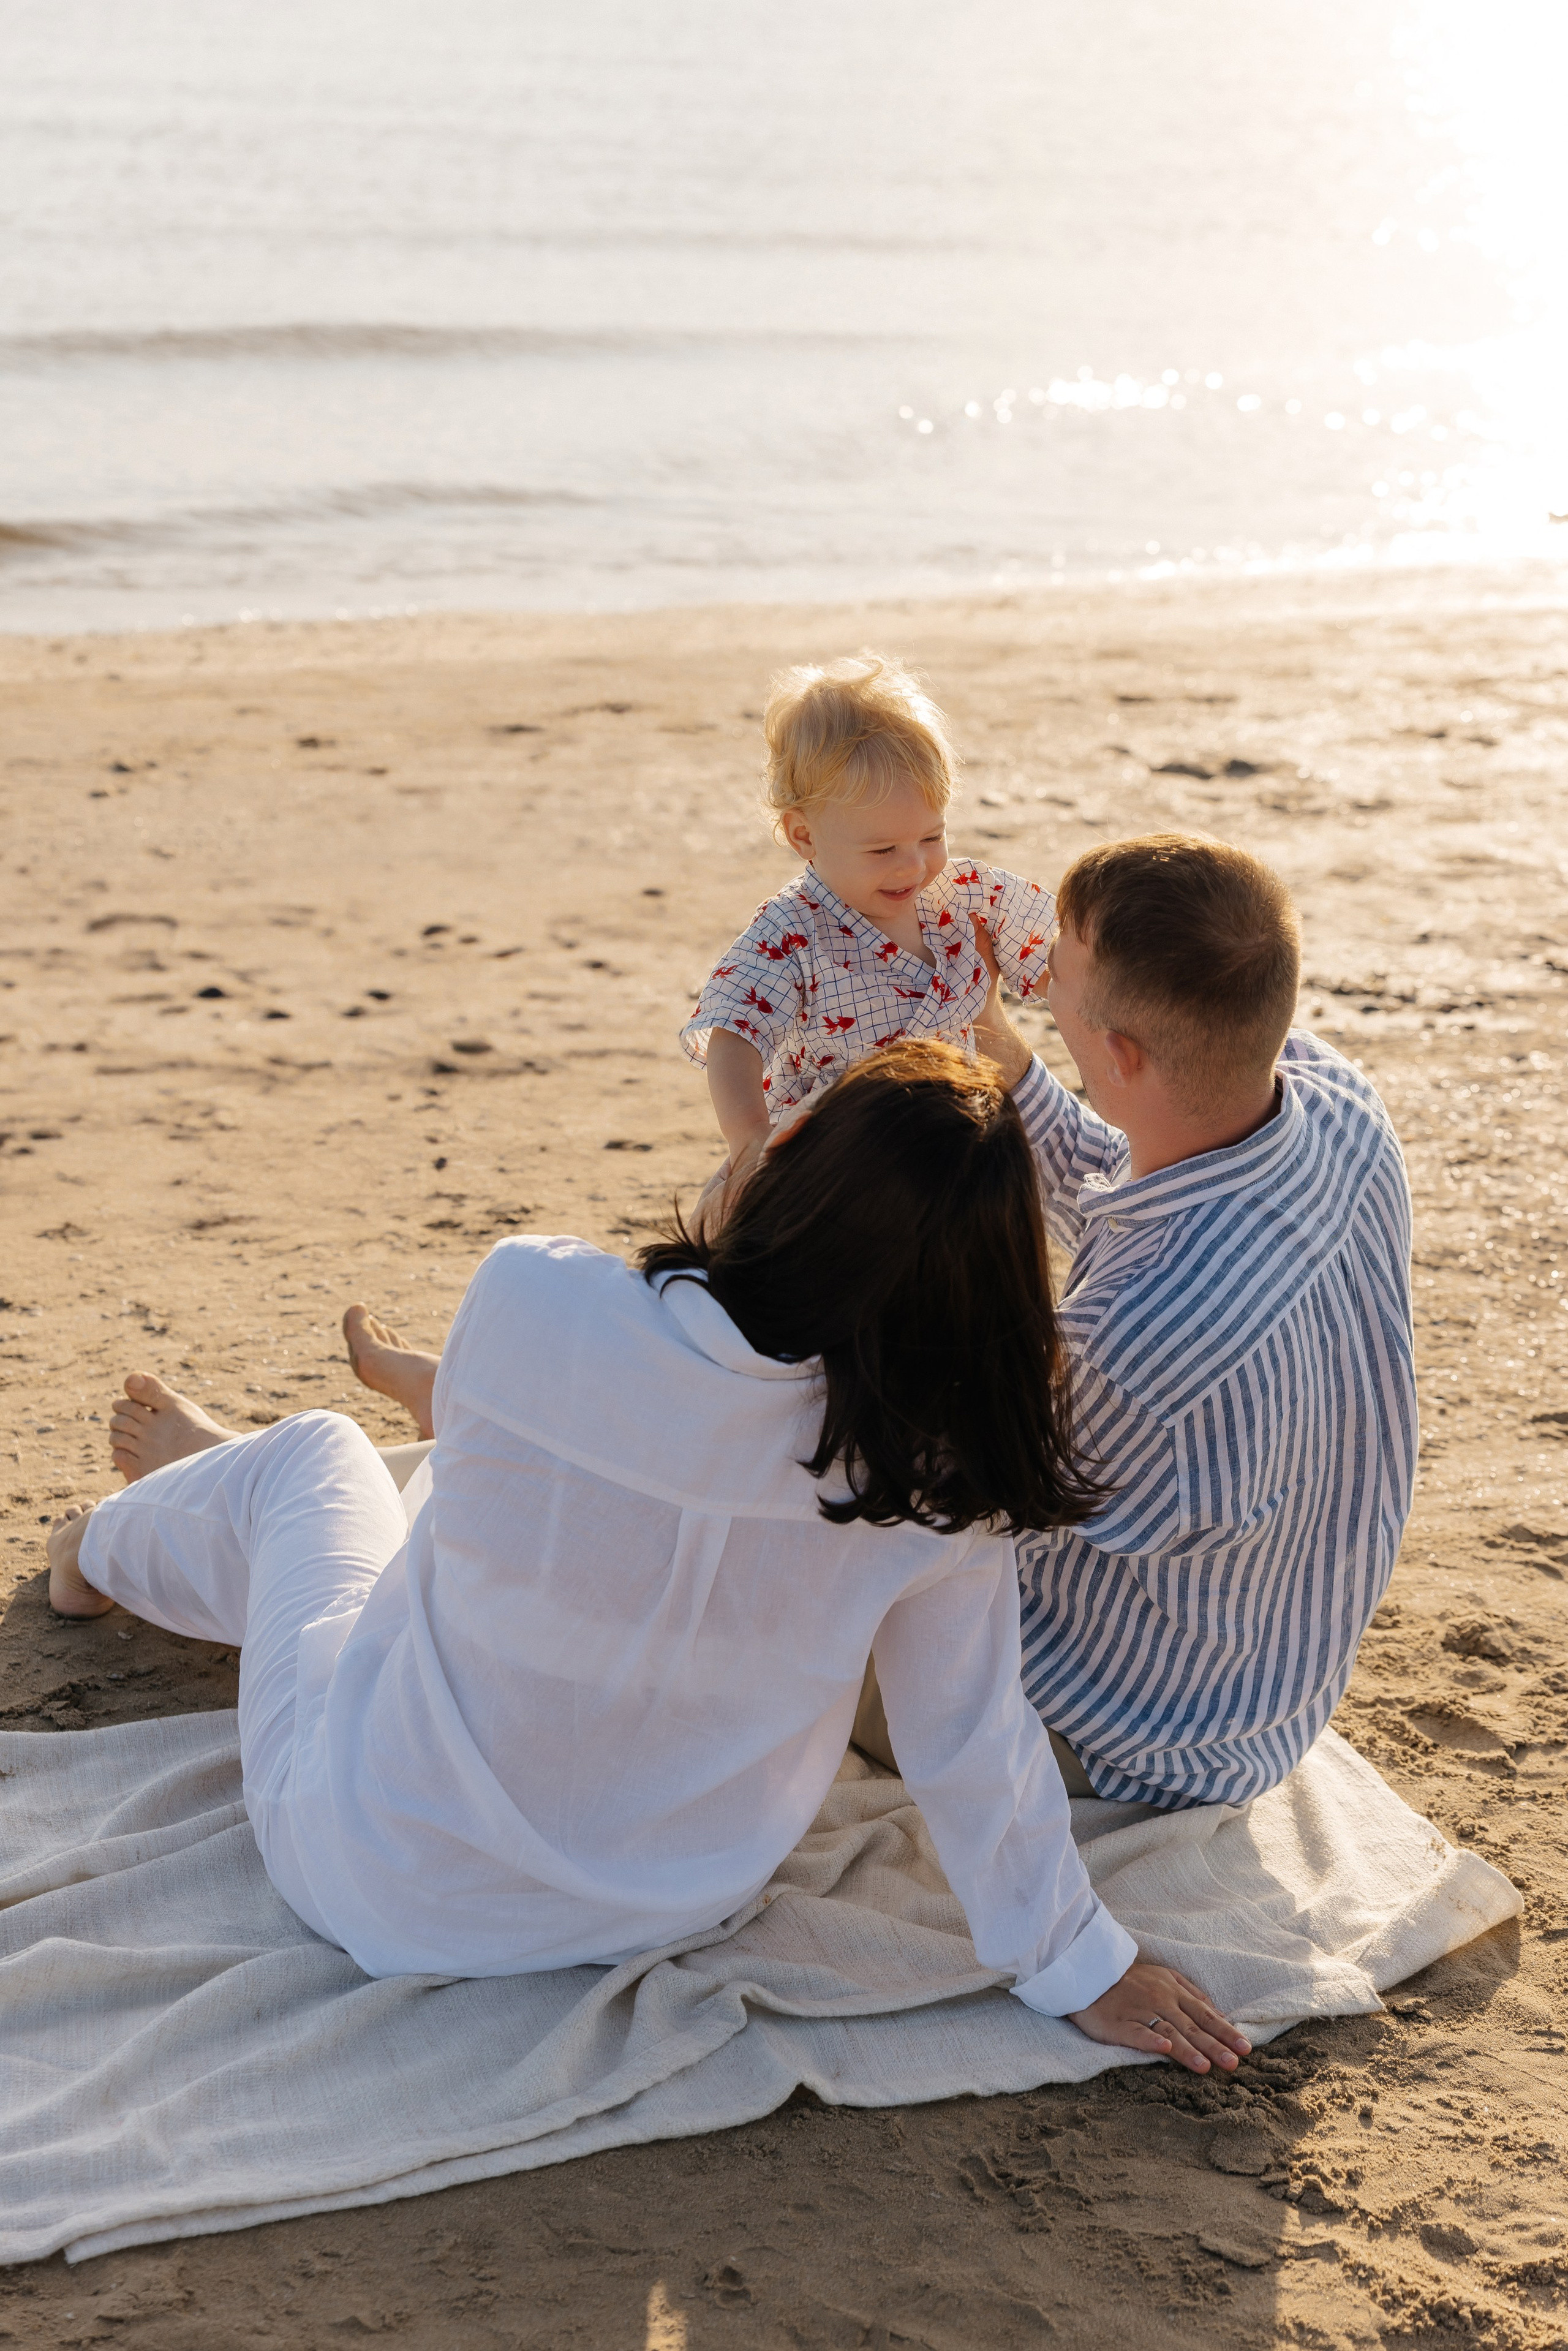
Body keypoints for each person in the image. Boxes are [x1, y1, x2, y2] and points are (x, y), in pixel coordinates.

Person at [52, 1041, 1251, 2075]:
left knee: (313, 1459)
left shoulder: (534, 1294)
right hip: (668, 1895)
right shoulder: (934, 1486)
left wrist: (743, 1185)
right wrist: (1076, 1962)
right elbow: (970, 1740)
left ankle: (95, 1551)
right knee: (422, 1525)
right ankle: (198, 1502)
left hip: (378, 1870)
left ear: (792, 1174)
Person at [964, 832, 1419, 1811]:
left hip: (1136, 1736)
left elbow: (968, 1520)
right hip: (1269, 1675)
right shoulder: (1338, 1101)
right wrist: (1002, 1054)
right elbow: (1142, 1195)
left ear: (1120, 1052)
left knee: (789, 1557)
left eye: (1054, 973)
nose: (1033, 967)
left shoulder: (1131, 1345)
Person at [683, 652, 1052, 1194]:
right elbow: (734, 1036)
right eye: (882, 849)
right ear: (804, 836)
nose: (915, 865)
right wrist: (749, 1143)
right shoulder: (792, 933)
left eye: (932, 837)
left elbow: (1061, 963)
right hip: (836, 1166)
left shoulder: (968, 895)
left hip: (952, 1145)